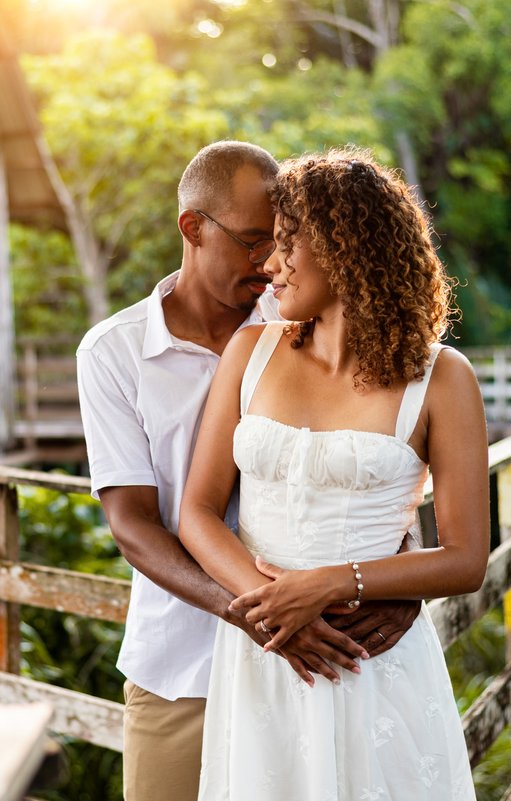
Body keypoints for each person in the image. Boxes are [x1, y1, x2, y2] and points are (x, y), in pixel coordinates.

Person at [76, 141, 424, 801]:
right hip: (182, 666)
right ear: (193, 228)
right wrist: (255, 613)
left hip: (325, 657)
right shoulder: (114, 353)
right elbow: (132, 524)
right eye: (252, 241)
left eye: (282, 241)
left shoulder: (301, 320)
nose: (269, 262)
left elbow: (383, 454)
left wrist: (397, 574)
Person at [179, 147, 489, 800]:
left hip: (370, 664)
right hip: (263, 659)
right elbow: (197, 512)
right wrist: (271, 613)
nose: (269, 264)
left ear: (346, 247)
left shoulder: (443, 379)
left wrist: (332, 583)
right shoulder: (251, 351)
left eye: (288, 243)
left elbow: (466, 558)